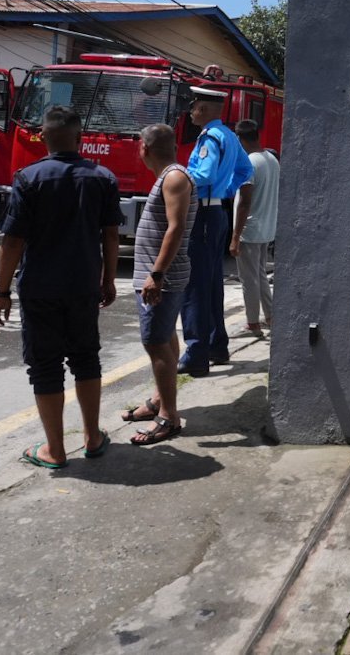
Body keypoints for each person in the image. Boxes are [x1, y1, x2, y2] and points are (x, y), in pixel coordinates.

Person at [0, 106, 122, 469]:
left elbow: (13, 242)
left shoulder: (28, 178)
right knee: (86, 358)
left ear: (43, 138)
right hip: (83, 286)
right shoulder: (104, 178)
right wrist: (108, 279)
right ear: (81, 139)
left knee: (45, 365)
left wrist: (1, 293)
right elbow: (111, 234)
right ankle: (93, 437)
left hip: (40, 288)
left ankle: (55, 449)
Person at [122, 124, 197, 446]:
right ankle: (157, 400)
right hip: (158, 275)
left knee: (155, 343)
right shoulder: (168, 177)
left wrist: (157, 274)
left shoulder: (175, 178)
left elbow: (176, 228)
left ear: (144, 148)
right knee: (165, 336)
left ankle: (168, 417)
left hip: (161, 278)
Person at [179, 87, 253, 376]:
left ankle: (196, 352)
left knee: (195, 285)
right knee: (211, 283)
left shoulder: (210, 137)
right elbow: (245, 171)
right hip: (216, 212)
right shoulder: (231, 136)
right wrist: (226, 191)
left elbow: (205, 175)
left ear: (206, 109)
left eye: (195, 106)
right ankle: (216, 345)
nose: (191, 111)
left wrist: (178, 176)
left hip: (203, 215)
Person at [230, 118, 279, 338]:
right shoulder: (271, 159)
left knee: (248, 279)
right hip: (266, 227)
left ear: (240, 140)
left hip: (249, 229)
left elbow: (245, 201)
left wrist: (235, 236)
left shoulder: (248, 163)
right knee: (259, 274)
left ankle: (252, 324)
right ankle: (270, 316)